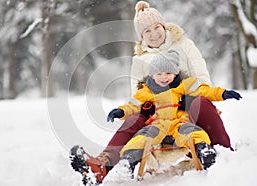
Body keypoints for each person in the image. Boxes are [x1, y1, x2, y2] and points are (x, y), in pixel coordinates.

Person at [70, 1, 234, 184]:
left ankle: (223, 153)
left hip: (189, 108)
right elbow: (137, 95)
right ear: (141, 36)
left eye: (156, 27)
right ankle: (101, 166)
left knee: (200, 102)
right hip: (158, 115)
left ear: (163, 26)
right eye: (147, 31)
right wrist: (139, 108)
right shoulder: (140, 60)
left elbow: (203, 80)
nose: (154, 34)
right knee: (134, 117)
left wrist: (184, 98)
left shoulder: (185, 45)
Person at [103, 51, 241, 181]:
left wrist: (223, 93)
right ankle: (127, 162)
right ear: (152, 75)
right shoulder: (145, 91)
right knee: (139, 139)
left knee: (195, 133)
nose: (164, 77)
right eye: (159, 73)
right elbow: (132, 105)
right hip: (156, 125)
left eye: (169, 73)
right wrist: (121, 111)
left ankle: (204, 151)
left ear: (175, 73)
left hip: (178, 124)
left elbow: (205, 91)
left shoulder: (184, 85)